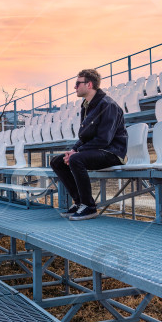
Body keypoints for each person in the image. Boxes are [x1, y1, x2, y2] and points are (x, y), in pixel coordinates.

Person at [50, 69, 127, 221]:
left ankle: (89, 206)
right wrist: (73, 149)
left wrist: (77, 153)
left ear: (89, 84)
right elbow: (84, 136)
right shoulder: (87, 105)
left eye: (78, 83)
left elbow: (104, 139)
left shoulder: (108, 105)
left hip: (112, 152)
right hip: (97, 150)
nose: (75, 87)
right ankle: (79, 203)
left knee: (76, 159)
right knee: (57, 162)